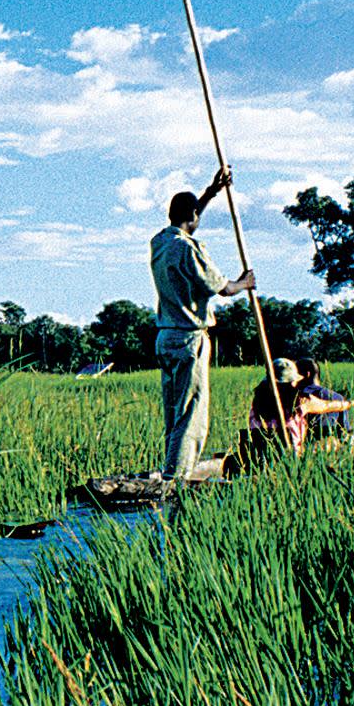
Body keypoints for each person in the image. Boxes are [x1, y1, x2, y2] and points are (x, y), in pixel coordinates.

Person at [150, 167, 254, 479]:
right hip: (188, 338)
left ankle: (172, 469)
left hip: (165, 337)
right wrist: (244, 283)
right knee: (191, 415)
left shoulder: (160, 241)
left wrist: (211, 191)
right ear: (192, 215)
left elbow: (187, 221)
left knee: (175, 412)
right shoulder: (187, 248)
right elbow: (222, 287)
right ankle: (178, 477)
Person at [238, 358, 354, 463]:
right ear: (291, 382)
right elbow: (330, 406)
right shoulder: (301, 402)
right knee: (337, 440)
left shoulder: (257, 401)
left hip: (260, 454)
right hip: (291, 457)